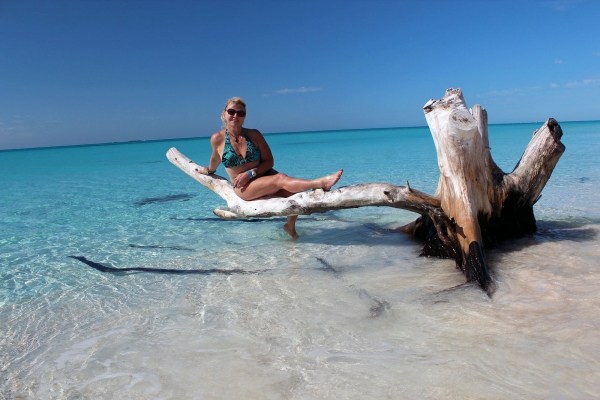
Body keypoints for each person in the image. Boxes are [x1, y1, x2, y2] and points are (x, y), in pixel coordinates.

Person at [197, 97, 343, 238]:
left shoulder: (254, 134)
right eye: (231, 112)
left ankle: (290, 227)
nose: (236, 116)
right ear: (224, 114)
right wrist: (209, 171)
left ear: (244, 116)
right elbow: (215, 158)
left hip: (262, 174)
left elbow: (269, 161)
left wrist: (250, 173)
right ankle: (321, 183)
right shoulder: (217, 138)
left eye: (240, 113)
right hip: (243, 187)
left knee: (290, 193)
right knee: (280, 179)